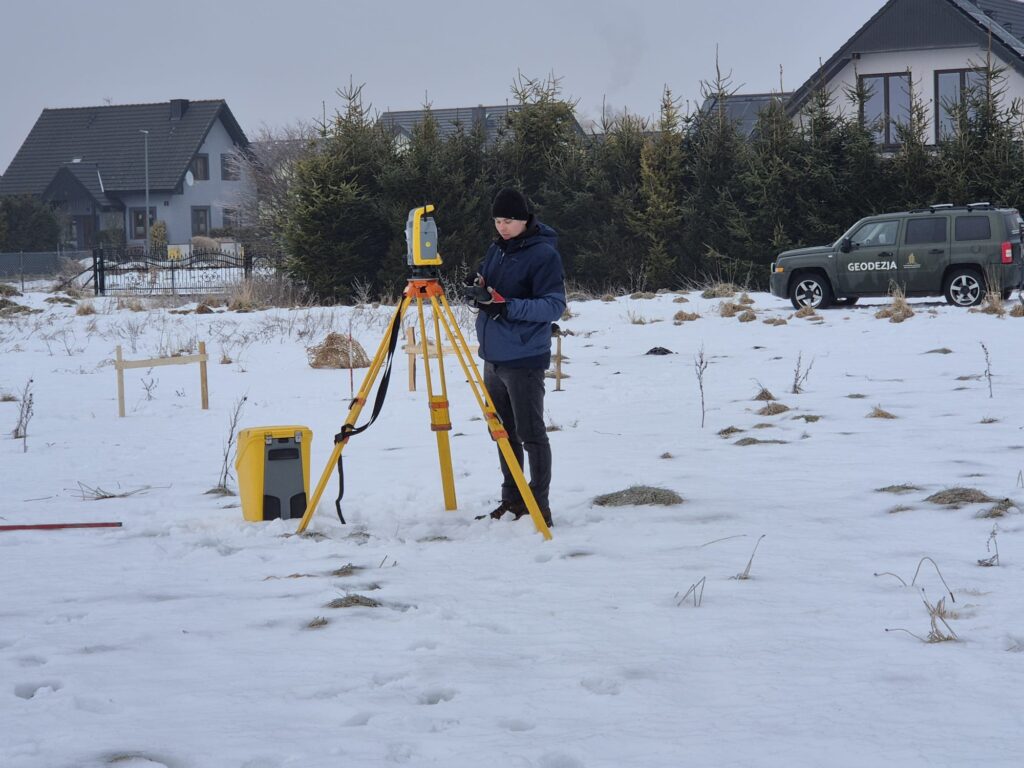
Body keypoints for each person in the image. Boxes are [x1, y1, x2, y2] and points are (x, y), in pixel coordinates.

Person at [471, 188, 565, 527]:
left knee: (530, 433)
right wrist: (479, 286)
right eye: (497, 220)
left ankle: (538, 505)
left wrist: (507, 307)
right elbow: (492, 289)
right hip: (493, 356)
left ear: (524, 219)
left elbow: (554, 305)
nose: (502, 226)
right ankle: (512, 499)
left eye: (508, 220)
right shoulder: (496, 249)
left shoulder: (543, 255)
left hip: (525, 356)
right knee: (502, 432)